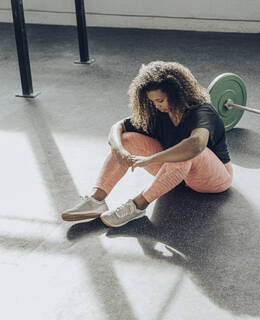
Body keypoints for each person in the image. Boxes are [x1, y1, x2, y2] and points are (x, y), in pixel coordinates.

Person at [61, 61, 233, 227]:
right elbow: (118, 127)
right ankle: (96, 199)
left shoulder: (202, 111)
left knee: (185, 150)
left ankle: (137, 206)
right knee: (127, 139)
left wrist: (151, 159)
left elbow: (196, 145)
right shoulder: (159, 114)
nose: (157, 106)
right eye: (153, 101)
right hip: (178, 175)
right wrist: (119, 149)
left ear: (177, 93)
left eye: (161, 100)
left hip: (212, 179)